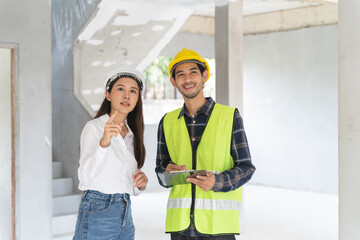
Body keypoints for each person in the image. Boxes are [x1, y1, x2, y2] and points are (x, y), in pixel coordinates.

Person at [155, 48, 256, 240]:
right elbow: (160, 173)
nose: (188, 79)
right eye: (181, 75)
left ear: (205, 76)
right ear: (173, 81)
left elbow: (246, 168)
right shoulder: (167, 122)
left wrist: (217, 182)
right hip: (180, 229)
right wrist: (167, 173)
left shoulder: (229, 117)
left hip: (218, 228)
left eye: (193, 72)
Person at [73, 68, 148, 240]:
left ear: (137, 99)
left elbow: (125, 184)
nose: (127, 95)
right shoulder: (94, 128)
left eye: (133, 91)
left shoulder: (132, 134)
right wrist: (104, 143)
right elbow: (85, 177)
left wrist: (140, 184)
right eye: (120, 89)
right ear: (108, 95)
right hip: (98, 210)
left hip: (125, 212)